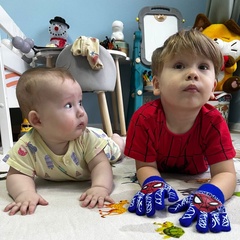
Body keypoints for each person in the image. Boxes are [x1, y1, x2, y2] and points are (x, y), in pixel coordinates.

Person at [124, 29, 236, 233]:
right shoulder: (144, 119)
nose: (193, 73)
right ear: (156, 84)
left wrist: (211, 193)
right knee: (118, 147)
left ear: (213, 88)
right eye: (179, 65)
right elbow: (144, 166)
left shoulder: (214, 122)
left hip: (196, 169)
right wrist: (152, 182)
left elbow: (226, 174)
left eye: (203, 67)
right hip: (160, 164)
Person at [3, 67, 125, 216]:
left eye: (80, 102)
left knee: (116, 152)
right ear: (37, 119)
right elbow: (17, 174)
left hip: (102, 143)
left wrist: (100, 186)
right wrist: (24, 193)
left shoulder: (87, 139)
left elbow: (101, 164)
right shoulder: (27, 146)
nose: (81, 111)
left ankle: (117, 140)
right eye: (69, 105)